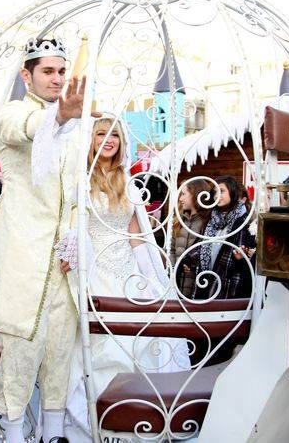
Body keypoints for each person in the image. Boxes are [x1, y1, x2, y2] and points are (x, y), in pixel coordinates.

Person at [0, 37, 98, 443]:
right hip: (22, 258)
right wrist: (59, 115)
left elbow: (76, 191)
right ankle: (12, 433)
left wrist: (75, 236)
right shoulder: (15, 113)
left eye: (61, 71)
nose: (57, 79)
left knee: (60, 346)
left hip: (62, 261)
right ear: (27, 76)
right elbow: (23, 129)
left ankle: (54, 434)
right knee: (22, 346)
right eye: (48, 71)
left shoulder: (74, 129)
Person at [61, 116, 189, 442]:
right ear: (91, 140)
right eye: (101, 134)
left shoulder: (127, 182)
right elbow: (71, 226)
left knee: (143, 330)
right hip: (93, 270)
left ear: (121, 142)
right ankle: (98, 414)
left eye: (114, 135)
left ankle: (137, 413)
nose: (108, 140)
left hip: (127, 271)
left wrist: (153, 275)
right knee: (100, 341)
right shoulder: (80, 181)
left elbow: (135, 235)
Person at [193, 176, 248, 300]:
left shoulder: (243, 220)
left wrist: (241, 258)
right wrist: (189, 261)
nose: (217, 195)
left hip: (229, 286)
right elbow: (200, 246)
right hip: (206, 281)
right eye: (215, 192)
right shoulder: (211, 219)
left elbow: (246, 255)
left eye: (221, 191)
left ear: (232, 192)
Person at [172, 180, 212, 297]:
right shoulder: (179, 220)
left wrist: (192, 265)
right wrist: (174, 268)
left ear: (195, 194)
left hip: (197, 282)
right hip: (176, 280)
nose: (180, 198)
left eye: (183, 194)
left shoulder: (207, 222)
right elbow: (171, 248)